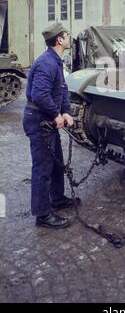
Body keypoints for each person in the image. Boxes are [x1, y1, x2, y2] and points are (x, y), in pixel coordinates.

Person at [23, 22, 76, 229]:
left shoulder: (57, 61)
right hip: (38, 120)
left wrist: (66, 112)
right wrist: (56, 115)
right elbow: (39, 95)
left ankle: (57, 198)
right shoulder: (47, 63)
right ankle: (42, 214)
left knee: (56, 163)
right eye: (67, 34)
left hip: (47, 119)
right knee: (43, 168)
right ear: (60, 40)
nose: (69, 37)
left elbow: (61, 90)